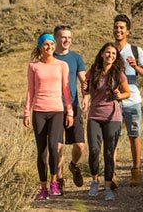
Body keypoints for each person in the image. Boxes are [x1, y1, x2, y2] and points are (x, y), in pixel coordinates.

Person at [23, 33, 74, 200]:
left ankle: (54, 182)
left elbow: (66, 91)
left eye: (52, 44)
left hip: (57, 111)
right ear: (40, 47)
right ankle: (43, 187)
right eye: (46, 44)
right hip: (39, 111)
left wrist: (70, 111)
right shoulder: (33, 66)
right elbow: (31, 90)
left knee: (54, 147)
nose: (50, 47)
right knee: (41, 151)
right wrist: (26, 112)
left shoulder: (62, 65)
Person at [82, 43, 130, 201]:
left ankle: (108, 188)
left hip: (113, 117)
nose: (110, 56)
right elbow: (86, 89)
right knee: (94, 151)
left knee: (109, 153)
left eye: (114, 54)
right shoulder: (93, 71)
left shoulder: (118, 73)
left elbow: (127, 93)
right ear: (102, 53)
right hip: (94, 116)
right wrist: (84, 88)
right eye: (108, 52)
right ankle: (95, 181)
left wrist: (118, 96)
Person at [112, 14, 143, 187]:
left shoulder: (136, 50)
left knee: (134, 135)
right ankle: (110, 173)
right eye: (116, 27)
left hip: (132, 100)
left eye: (122, 27)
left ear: (127, 31)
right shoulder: (109, 50)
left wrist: (136, 67)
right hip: (113, 101)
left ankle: (136, 171)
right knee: (112, 137)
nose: (118, 30)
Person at [52, 25, 88, 192]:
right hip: (54, 107)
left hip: (73, 106)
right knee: (57, 146)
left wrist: (86, 96)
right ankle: (59, 180)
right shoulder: (50, 57)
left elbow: (84, 81)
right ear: (56, 38)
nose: (67, 40)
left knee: (80, 145)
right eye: (63, 37)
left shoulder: (76, 58)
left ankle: (73, 165)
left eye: (69, 38)